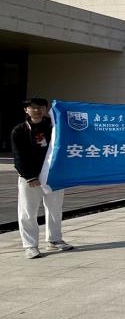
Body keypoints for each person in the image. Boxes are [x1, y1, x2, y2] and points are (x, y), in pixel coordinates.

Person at [12, 97, 72, 259]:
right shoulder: (20, 130)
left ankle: (55, 240)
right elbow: (18, 156)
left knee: (55, 209)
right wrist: (29, 176)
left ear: (46, 109)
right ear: (26, 110)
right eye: (33, 107)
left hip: (53, 176)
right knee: (27, 212)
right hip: (31, 178)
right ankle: (30, 246)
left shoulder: (55, 127)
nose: (37, 110)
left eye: (40, 107)